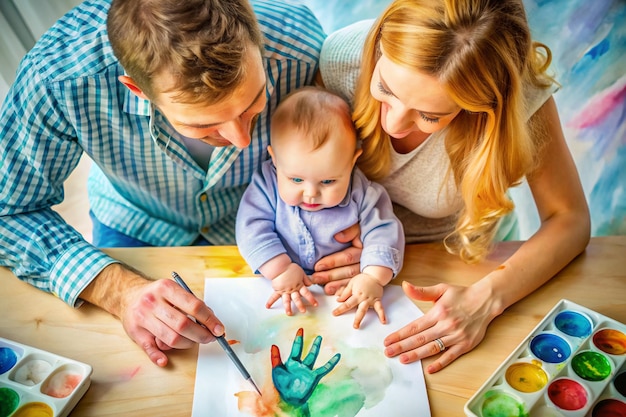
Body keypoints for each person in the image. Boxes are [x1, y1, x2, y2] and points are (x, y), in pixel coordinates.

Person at [0, 0, 329, 367]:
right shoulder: (57, 77)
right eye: (204, 125)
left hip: (263, 218)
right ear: (136, 89)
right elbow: (7, 211)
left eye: (254, 103)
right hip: (135, 218)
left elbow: (348, 154)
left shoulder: (302, 46)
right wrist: (116, 290)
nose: (241, 140)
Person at [317, 0, 590, 373]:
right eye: (386, 88)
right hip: (358, 263)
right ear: (380, 43)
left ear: (484, 108)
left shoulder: (521, 100)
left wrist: (486, 298)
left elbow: (570, 220)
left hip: (464, 261)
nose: (394, 124)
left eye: (430, 116)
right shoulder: (340, 59)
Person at [236, 86, 404, 329]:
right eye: (296, 180)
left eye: (328, 181)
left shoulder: (364, 193)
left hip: (342, 293)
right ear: (275, 159)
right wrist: (280, 269)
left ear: (352, 162)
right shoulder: (266, 184)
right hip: (281, 288)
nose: (311, 193)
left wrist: (372, 277)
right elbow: (250, 226)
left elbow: (384, 232)